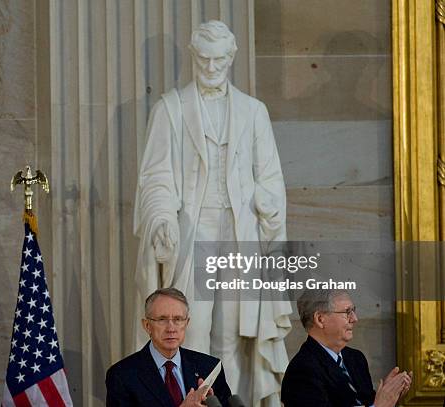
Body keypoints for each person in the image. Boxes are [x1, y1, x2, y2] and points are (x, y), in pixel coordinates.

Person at [133, 20, 290, 405]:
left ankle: (230, 402)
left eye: (219, 60)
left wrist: (267, 210)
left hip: (241, 233)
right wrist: (163, 219)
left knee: (232, 336)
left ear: (231, 58)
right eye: (204, 60)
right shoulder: (169, 109)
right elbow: (155, 177)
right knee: (193, 329)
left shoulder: (253, 111)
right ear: (193, 57)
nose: (212, 68)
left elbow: (270, 176)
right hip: (194, 231)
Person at [281, 289, 412, 407]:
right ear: (320, 319)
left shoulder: (355, 358)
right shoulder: (302, 371)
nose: (355, 319)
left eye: (353, 311)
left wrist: (389, 396)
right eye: (347, 312)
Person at [106, 288, 232, 406]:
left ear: (186, 323)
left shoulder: (209, 367)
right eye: (162, 319)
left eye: (178, 319)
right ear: (147, 326)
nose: (171, 328)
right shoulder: (122, 375)